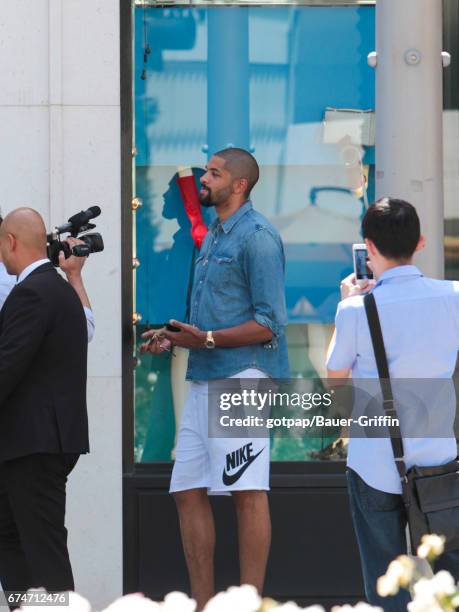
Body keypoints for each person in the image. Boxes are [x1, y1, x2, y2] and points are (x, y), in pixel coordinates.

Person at [141, 148, 290, 610]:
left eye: (214, 173)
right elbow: (213, 314)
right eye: (207, 172)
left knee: (246, 492)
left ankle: (248, 603)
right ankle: (204, 605)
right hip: (205, 374)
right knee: (186, 488)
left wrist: (203, 338)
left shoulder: (259, 236)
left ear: (239, 184)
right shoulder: (214, 237)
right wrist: (175, 336)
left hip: (242, 377)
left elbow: (270, 323)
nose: (204, 179)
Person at [327, 198, 459, 611]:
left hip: (373, 461)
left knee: (386, 588)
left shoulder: (354, 309)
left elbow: (335, 380)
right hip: (440, 459)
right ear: (419, 242)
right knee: (445, 580)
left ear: (368, 248)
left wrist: (346, 302)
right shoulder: (453, 296)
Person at [0, 208, 89, 605]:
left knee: (42, 543)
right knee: (12, 536)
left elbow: (7, 364)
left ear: (11, 242)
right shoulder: (56, 288)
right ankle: (25, 606)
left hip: (34, 444)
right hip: (31, 441)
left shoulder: (33, 291)